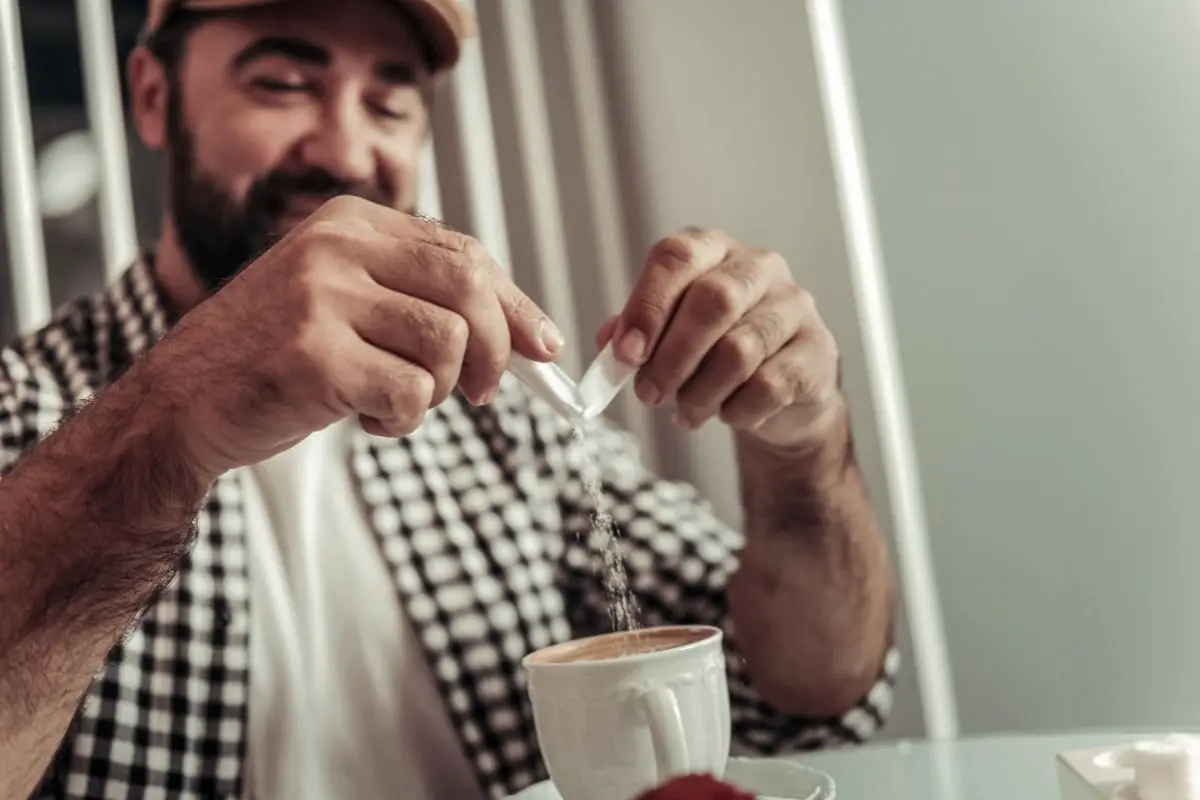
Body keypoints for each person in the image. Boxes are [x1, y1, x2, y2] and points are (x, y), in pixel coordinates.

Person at [0, 0, 898, 797]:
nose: (349, 152)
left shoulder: (506, 426)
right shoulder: (25, 411)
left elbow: (799, 699)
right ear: (153, 96)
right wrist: (167, 423)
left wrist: (804, 451)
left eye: (391, 102)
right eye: (281, 82)